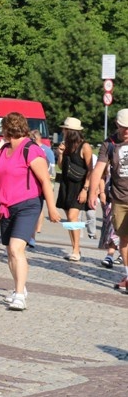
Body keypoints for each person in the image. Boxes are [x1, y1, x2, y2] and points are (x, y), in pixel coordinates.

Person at [0, 112, 59, 310]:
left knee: (16, 248)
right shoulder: (4, 149)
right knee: (10, 251)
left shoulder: (31, 150)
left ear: (8, 128)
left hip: (27, 205)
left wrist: (52, 208)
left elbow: (45, 182)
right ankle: (18, 287)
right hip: (5, 205)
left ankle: (20, 295)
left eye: (3, 128)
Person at [89, 109, 128, 291]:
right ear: (117, 125)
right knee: (123, 238)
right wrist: (92, 193)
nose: (127, 131)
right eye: (124, 127)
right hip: (119, 198)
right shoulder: (109, 143)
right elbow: (98, 170)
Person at [56, 117, 93, 262]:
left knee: (72, 217)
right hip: (66, 185)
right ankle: (75, 248)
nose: (62, 131)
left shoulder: (85, 147)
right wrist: (60, 153)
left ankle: (76, 250)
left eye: (64, 129)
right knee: (70, 219)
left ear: (70, 131)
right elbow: (60, 167)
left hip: (79, 186)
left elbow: (91, 169)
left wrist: (85, 189)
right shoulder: (65, 146)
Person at [29, 129, 55, 239]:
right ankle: (35, 231)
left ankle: (37, 229)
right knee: (37, 205)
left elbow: (52, 167)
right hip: (37, 181)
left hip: (43, 180)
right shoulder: (35, 149)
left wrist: (50, 181)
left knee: (38, 206)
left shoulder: (46, 150)